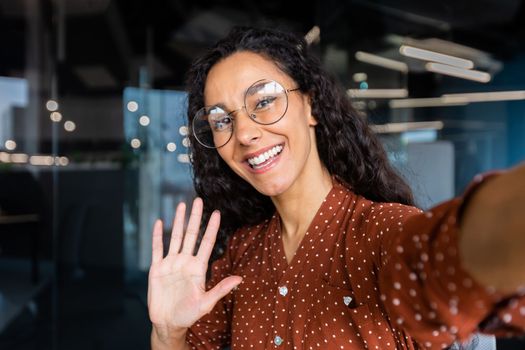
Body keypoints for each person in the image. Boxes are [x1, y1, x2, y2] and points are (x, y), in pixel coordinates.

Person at [147, 26, 525, 349]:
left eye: (264, 101)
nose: (244, 132)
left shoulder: (384, 234)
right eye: (221, 120)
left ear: (310, 106)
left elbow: (464, 251)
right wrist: (168, 332)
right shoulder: (239, 259)